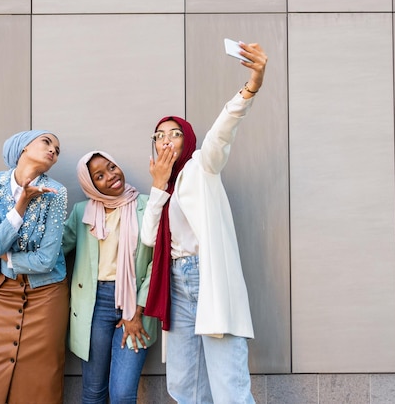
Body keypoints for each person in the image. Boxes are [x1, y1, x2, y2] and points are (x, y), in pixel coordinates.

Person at [140, 41, 267, 403]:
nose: (166, 140)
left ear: (188, 138)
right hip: (175, 284)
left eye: (174, 133)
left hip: (206, 275)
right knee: (183, 385)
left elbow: (222, 131)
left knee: (229, 387)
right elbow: (149, 239)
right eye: (159, 135)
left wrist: (251, 86)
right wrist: (157, 187)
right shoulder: (161, 186)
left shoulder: (201, 166)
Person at [0, 130, 69, 404]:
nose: (53, 151)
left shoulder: (56, 193)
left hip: (47, 293)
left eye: (57, 150)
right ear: (22, 148)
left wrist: (7, 262)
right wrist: (21, 204)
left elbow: (46, 260)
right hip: (3, 292)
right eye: (47, 142)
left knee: (39, 378)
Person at [63, 151, 159, 404]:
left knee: (122, 394)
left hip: (135, 303)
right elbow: (54, 251)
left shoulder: (148, 205)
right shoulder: (82, 212)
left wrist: (137, 310)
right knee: (93, 392)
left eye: (112, 167)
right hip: (94, 306)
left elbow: (157, 263)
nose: (112, 176)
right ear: (90, 184)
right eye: (100, 176)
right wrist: (3, 261)